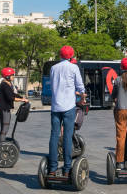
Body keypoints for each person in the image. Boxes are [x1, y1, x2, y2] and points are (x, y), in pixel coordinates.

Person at [48, 46, 86, 178]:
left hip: (55, 107)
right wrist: (82, 97)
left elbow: (53, 85)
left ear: (60, 55)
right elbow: (80, 86)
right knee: (67, 137)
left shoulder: (53, 68)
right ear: (71, 56)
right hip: (69, 106)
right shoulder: (73, 67)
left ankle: (52, 168)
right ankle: (67, 168)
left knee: (54, 136)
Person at [0, 67, 28, 142]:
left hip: (5, 108)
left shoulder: (8, 84)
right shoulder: (4, 85)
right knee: (5, 128)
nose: (13, 76)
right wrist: (21, 100)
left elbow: (13, 94)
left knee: (5, 127)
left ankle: (2, 143)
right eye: (12, 75)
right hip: (4, 109)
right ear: (7, 76)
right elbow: (10, 97)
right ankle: (2, 145)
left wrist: (21, 97)